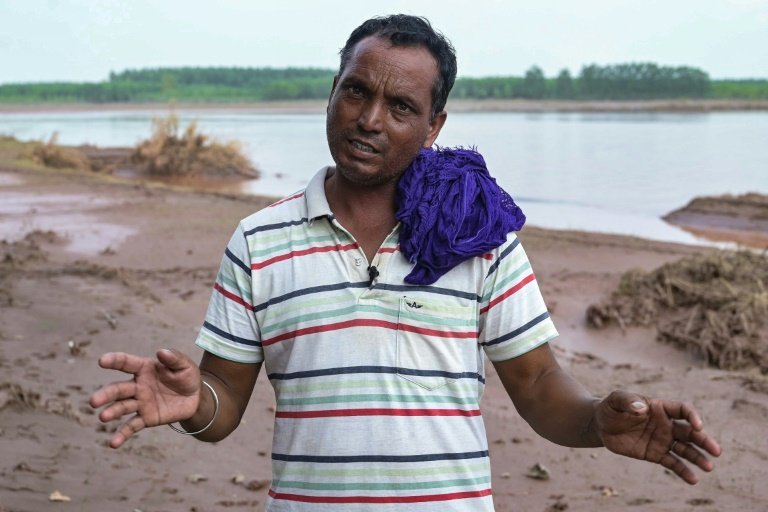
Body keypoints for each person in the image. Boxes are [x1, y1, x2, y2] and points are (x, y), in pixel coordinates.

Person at [90, 14, 721, 511]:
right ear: (332, 92)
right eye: (355, 92)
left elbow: (536, 386)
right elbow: (222, 400)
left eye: (400, 107)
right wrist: (191, 404)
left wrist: (596, 421)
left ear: (433, 125)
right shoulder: (259, 239)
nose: (368, 120)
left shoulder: (479, 235)